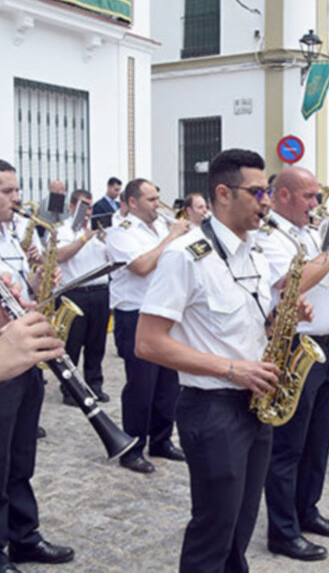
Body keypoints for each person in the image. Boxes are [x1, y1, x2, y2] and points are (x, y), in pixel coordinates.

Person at [135, 148, 287, 573]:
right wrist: (233, 369)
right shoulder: (185, 254)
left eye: (268, 191)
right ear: (223, 193)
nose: (267, 201)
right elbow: (147, 343)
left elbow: (242, 326)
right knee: (213, 529)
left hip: (256, 404)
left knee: (240, 527)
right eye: (258, 192)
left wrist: (277, 319)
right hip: (213, 408)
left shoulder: (255, 253)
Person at [254, 168, 329, 562]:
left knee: (319, 440)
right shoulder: (272, 237)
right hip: (296, 345)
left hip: (328, 347)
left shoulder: (311, 234)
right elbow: (291, 284)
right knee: (288, 446)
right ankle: (282, 530)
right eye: (309, 197)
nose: (317, 205)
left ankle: (307, 509)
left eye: (318, 197)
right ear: (282, 195)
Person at [0, 160, 74, 572]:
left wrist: (36, 278)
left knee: (21, 454)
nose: (17, 199)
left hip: (24, 354)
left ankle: (24, 536)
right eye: (7, 192)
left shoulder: (14, 235)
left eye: (16, 189)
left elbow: (21, 289)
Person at [106, 179, 191, 473]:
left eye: (158, 198)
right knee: (141, 386)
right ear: (132, 203)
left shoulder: (160, 229)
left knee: (168, 384)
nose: (158, 204)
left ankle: (161, 439)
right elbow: (141, 267)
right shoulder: (121, 233)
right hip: (135, 315)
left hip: (166, 313)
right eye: (151, 199)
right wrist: (170, 239)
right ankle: (132, 447)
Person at [55, 190, 111, 404]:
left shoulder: (98, 231)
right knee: (72, 345)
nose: (87, 212)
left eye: (89, 207)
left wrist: (105, 238)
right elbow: (60, 255)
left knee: (97, 344)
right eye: (82, 207)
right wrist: (83, 239)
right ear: (71, 207)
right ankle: (70, 390)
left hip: (99, 292)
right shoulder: (63, 231)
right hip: (74, 292)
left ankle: (94, 385)